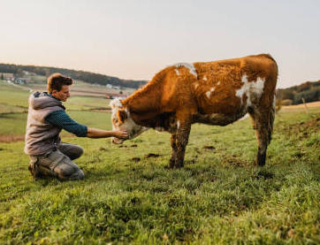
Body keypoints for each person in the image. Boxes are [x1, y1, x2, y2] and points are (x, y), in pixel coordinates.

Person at [24, 73, 129, 181]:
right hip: (41, 151)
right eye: (65, 92)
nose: (68, 95)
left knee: (77, 151)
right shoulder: (53, 112)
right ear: (54, 92)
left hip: (45, 145)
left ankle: (46, 163)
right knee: (76, 174)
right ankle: (40, 168)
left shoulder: (40, 99)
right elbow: (82, 131)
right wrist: (113, 133)